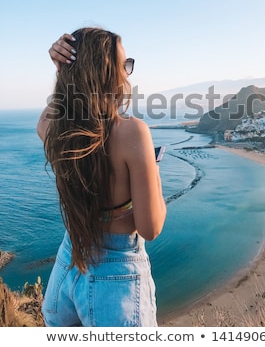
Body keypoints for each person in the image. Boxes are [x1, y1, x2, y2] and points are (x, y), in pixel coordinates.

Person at [37, 27, 167, 327]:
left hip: (68, 265)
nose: (128, 73)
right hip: (116, 281)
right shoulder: (133, 133)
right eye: (124, 64)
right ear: (106, 73)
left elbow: (43, 120)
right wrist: (153, 173)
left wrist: (64, 73)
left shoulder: (57, 134)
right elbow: (150, 227)